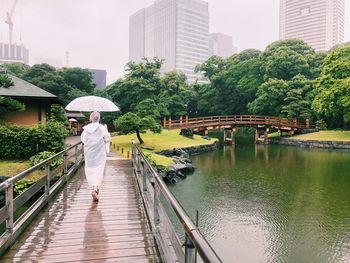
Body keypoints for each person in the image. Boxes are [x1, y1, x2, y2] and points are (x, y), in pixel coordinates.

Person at [81, 111, 111, 201]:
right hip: (100, 153)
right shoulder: (102, 128)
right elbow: (107, 138)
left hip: (89, 153)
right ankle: (95, 187)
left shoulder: (86, 129)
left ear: (90, 118)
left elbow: (83, 139)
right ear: (99, 118)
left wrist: (91, 143)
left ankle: (93, 187)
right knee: (99, 170)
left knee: (90, 169)